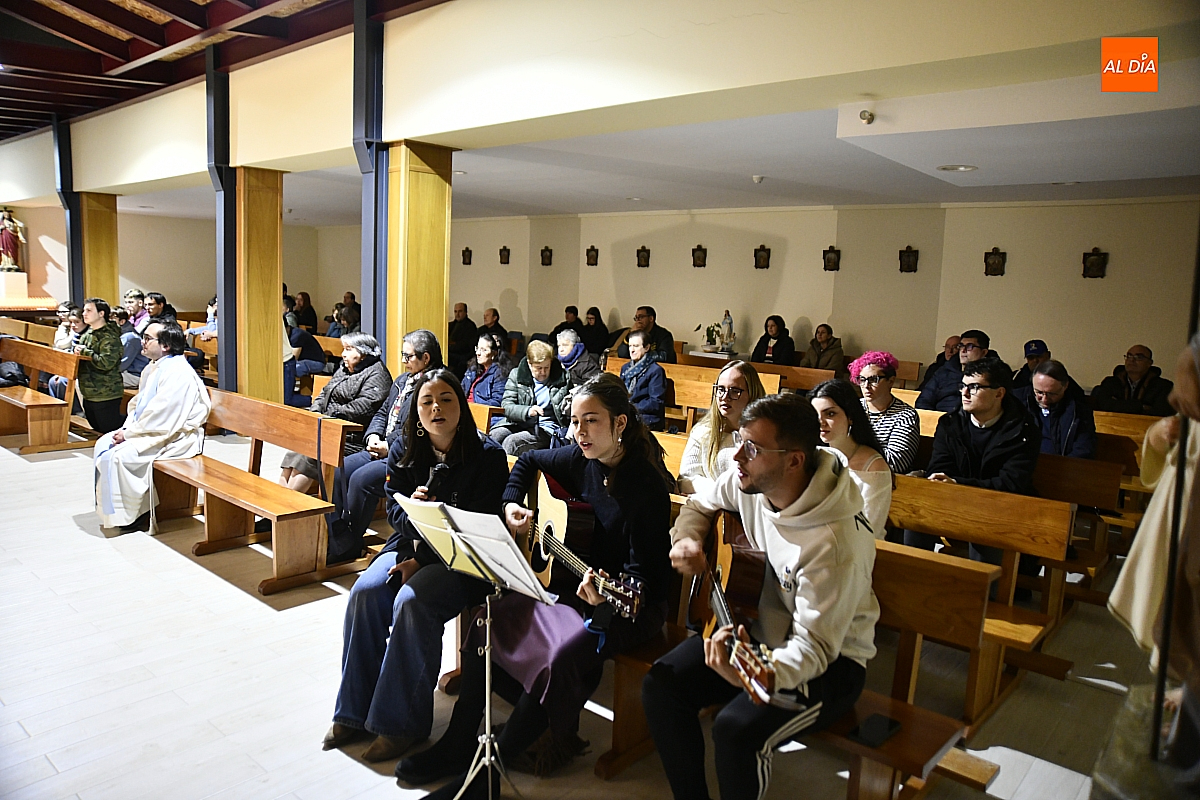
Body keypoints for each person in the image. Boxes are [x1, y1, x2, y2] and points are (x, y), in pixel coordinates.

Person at [403, 373, 673, 795]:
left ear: (620, 423)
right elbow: (528, 463)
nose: (576, 432)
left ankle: (490, 775)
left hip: (627, 606)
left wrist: (610, 591)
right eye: (574, 420)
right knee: (488, 620)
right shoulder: (583, 458)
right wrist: (512, 502)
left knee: (563, 654)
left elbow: (649, 580)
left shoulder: (646, 487)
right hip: (574, 583)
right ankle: (460, 743)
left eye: (590, 421)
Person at [643, 392, 877, 800]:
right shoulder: (748, 481)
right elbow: (698, 504)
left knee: (735, 731)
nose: (736, 457)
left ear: (794, 460)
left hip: (829, 666)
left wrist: (760, 674)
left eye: (751, 448)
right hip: (755, 631)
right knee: (661, 685)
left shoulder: (835, 543)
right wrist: (687, 538)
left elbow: (816, 649)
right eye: (738, 441)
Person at [324, 367, 509, 763]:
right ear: (416, 410)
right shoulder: (405, 447)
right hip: (410, 544)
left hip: (464, 559)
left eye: (446, 399)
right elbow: (394, 508)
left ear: (461, 404)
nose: (437, 408)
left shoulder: (487, 455)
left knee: (412, 602)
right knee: (365, 592)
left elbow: (478, 524)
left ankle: (401, 724)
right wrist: (415, 525)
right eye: (427, 401)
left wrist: (420, 560)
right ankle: (353, 712)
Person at [1109, 335, 1200, 796]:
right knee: (1174, 601)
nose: (1172, 397)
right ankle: (1187, 689)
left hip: (1191, 522)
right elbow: (1154, 456)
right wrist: (1161, 435)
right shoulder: (1189, 417)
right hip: (1177, 514)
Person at [905, 357, 1041, 567]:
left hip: (1001, 508)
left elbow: (1011, 483)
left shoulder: (1023, 431)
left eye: (974, 387)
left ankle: (986, 595)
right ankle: (912, 582)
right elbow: (939, 466)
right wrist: (947, 482)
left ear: (999, 393)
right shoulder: (950, 423)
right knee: (916, 515)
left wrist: (959, 484)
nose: (964, 393)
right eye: (963, 386)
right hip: (953, 501)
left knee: (985, 528)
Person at [326, 330, 443, 563]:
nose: (403, 360)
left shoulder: (436, 385)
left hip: (411, 457)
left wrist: (388, 445)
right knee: (338, 469)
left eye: (407, 356)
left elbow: (420, 427)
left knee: (362, 480)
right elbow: (382, 412)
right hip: (383, 447)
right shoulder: (402, 381)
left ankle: (349, 544)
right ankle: (339, 537)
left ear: (426, 358)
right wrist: (373, 435)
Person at [94, 321, 211, 533]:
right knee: (104, 444)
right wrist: (128, 429)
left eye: (148, 338)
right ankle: (117, 512)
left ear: (165, 345)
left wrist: (129, 433)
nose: (143, 342)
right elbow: (140, 405)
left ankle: (136, 514)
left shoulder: (178, 372)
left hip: (176, 437)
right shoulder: (155, 366)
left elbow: (163, 414)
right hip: (156, 429)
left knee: (121, 457)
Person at [278, 333, 392, 498]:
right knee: (298, 448)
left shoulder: (377, 375)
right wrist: (315, 412)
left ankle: (287, 503)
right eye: (343, 349)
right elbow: (325, 393)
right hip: (329, 428)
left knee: (312, 454)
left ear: (363, 353)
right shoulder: (345, 368)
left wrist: (329, 414)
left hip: (352, 437)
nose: (343, 354)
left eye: (348, 349)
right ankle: (279, 502)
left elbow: (363, 408)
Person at [811, 379, 892, 537]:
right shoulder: (815, 456)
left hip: (859, 548)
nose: (820, 422)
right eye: (815, 414)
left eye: (830, 414)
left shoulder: (874, 466)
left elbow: (869, 528)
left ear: (850, 417)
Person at [677, 360, 766, 494]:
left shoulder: (763, 436)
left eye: (734, 391)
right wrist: (719, 492)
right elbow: (685, 479)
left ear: (752, 394)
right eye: (720, 389)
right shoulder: (703, 431)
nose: (725, 397)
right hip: (707, 505)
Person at [490, 340, 570, 455]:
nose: (543, 372)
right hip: (519, 422)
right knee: (494, 436)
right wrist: (527, 411)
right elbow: (507, 406)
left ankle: (507, 472)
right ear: (529, 363)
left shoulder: (563, 378)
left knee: (512, 442)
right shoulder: (516, 375)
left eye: (546, 367)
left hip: (547, 427)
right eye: (538, 368)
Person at [850, 351, 920, 474]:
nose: (866, 386)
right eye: (862, 379)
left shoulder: (905, 416)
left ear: (891, 381)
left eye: (874, 379)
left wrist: (852, 450)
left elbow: (896, 463)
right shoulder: (852, 407)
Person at [1014, 359, 1096, 458]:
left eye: (1052, 394)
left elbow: (1083, 450)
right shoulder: (1017, 402)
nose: (1044, 399)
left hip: (1061, 468)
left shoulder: (1078, 412)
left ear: (1065, 386)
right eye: (1039, 392)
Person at [74, 298, 126, 434]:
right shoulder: (87, 334)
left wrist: (85, 352)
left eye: (89, 310)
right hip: (89, 391)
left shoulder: (110, 337)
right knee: (97, 427)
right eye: (84, 310)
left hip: (105, 391)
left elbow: (106, 363)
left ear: (101, 314)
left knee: (108, 428)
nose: (84, 313)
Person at [917, 328, 993, 413]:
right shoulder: (944, 371)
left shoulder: (994, 374)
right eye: (961, 346)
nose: (963, 350)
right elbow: (924, 400)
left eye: (969, 346)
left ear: (984, 352)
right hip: (941, 419)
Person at [1091, 344, 1175, 416]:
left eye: (1139, 357)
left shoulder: (1163, 387)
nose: (1132, 360)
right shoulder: (1110, 382)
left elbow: (1161, 413)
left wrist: (1119, 404)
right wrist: (1141, 406)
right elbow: (1103, 406)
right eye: (1129, 356)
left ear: (1149, 363)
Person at [620, 329, 667, 432]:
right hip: (628, 413)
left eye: (636, 346)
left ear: (647, 347)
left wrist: (631, 407)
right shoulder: (625, 368)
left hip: (647, 417)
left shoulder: (655, 371)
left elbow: (656, 402)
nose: (632, 350)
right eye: (630, 346)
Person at [285, 313, 328, 407]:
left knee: (290, 369)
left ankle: (289, 396)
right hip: (303, 361)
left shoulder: (297, 335)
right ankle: (288, 395)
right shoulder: (289, 335)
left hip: (316, 362)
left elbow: (293, 358)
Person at [461, 332, 510, 408]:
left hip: (481, 413)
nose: (478, 353)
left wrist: (474, 407)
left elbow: (497, 401)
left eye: (484, 350)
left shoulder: (499, 373)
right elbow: (461, 390)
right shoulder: (472, 369)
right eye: (477, 348)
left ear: (494, 353)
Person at [117, 313, 149, 389]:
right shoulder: (119, 334)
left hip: (134, 375)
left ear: (121, 322)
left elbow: (122, 364)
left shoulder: (129, 338)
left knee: (98, 380)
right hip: (125, 372)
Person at [446, 302, 478, 377]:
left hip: (463, 355)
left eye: (460, 311)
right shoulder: (450, 325)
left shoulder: (470, 326)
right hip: (451, 353)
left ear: (465, 312)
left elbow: (466, 345)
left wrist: (451, 346)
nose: (457, 314)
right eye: (455, 311)